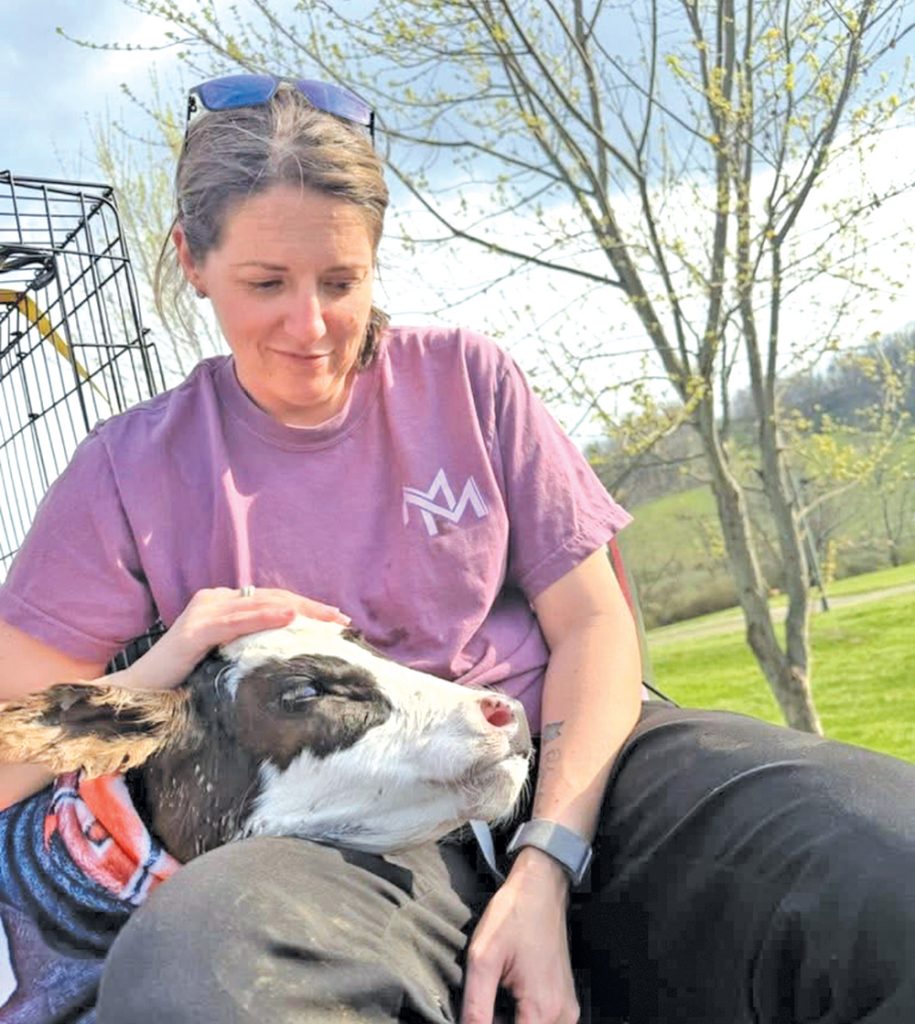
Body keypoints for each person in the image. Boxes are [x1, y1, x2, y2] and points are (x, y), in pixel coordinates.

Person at [0, 74, 912, 1024]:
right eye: (265, 284)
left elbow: (595, 627)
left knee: (885, 847)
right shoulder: (124, 472)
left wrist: (548, 863)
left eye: (340, 282)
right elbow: (9, 749)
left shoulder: (467, 380)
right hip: (348, 850)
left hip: (577, 767)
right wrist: (159, 670)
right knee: (194, 969)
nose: (310, 328)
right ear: (191, 260)